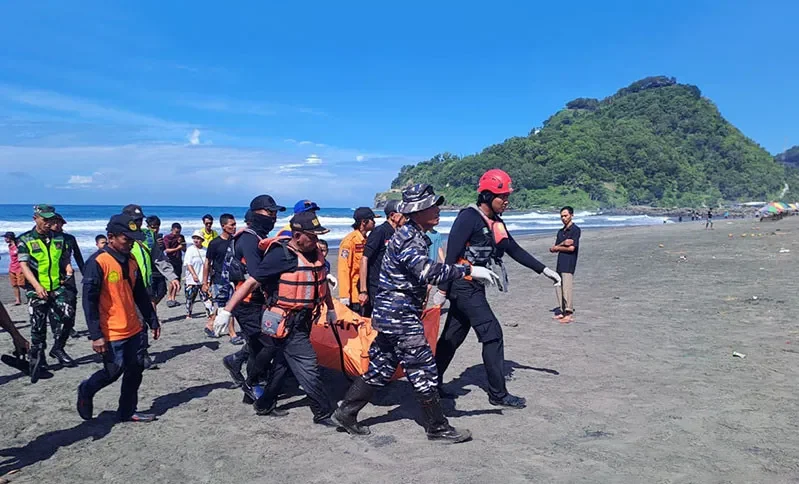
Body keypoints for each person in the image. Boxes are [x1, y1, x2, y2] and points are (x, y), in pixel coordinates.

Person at [332, 184, 501, 443]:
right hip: (400, 316)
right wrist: (468, 271)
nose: (438, 210)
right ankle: (437, 427)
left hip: (391, 314)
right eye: (431, 207)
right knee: (424, 369)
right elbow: (427, 271)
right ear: (416, 212)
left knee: (381, 366)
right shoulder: (410, 238)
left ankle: (346, 412)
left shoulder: (412, 233)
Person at [434, 169, 562, 409]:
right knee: (492, 334)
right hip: (462, 285)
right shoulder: (468, 218)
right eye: (501, 197)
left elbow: (513, 249)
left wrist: (544, 270)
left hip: (475, 287)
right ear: (486, 196)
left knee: (452, 336)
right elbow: (451, 255)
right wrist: (442, 290)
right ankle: (498, 394)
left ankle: (430, 384)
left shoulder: (496, 222)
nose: (506, 201)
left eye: (506, 196)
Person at [216, 211, 338, 424]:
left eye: (318, 236)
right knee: (308, 364)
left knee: (283, 363)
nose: (316, 240)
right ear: (298, 235)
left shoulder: (314, 253)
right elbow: (251, 282)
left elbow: (320, 283)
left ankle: (264, 404)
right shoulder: (281, 255)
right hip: (286, 321)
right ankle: (323, 411)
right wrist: (226, 311)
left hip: (306, 318)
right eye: (312, 236)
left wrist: (330, 309)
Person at [77, 213, 161, 423]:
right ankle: (86, 389)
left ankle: (127, 411)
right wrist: (96, 335)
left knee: (136, 369)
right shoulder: (98, 262)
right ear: (111, 237)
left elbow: (140, 292)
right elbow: (89, 302)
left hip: (133, 326)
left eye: (133, 239)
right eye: (127, 239)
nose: (130, 244)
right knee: (113, 371)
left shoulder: (131, 259)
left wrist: (152, 319)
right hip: (111, 330)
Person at [217, 195, 284, 400]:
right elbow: (257, 274)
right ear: (256, 214)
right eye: (269, 212)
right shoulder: (249, 238)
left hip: (257, 302)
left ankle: (238, 364)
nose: (273, 217)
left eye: (274, 213)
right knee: (267, 344)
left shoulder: (257, 237)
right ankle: (254, 383)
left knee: (258, 344)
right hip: (246, 303)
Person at [16, 204, 75, 381]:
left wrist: (69, 269)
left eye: (51, 219)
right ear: (36, 218)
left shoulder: (60, 239)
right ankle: (38, 357)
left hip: (57, 286)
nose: (49, 223)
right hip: (36, 288)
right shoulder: (25, 240)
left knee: (68, 317)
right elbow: (24, 266)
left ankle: (58, 348)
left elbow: (64, 259)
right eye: (45, 219)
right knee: (38, 325)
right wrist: (36, 286)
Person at [121, 204, 179, 370]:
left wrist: (172, 277)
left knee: (141, 321)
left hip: (142, 286)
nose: (137, 223)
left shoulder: (148, 236)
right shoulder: (119, 235)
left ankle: (142, 354)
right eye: (134, 220)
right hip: (122, 287)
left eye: (140, 220)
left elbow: (159, 258)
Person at [358, 200, 405, 317]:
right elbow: (364, 259)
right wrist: (363, 291)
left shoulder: (400, 233)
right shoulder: (379, 232)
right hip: (376, 286)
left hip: (392, 286)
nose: (406, 217)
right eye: (403, 214)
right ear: (392, 216)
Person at [202, 213, 243, 344]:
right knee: (227, 307)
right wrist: (205, 282)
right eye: (232, 225)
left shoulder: (235, 241)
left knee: (225, 306)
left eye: (235, 224)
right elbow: (207, 263)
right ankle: (232, 334)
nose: (234, 227)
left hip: (234, 279)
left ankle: (210, 324)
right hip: (219, 280)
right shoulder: (215, 243)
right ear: (223, 226)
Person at [338, 207, 380, 313]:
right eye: (372, 220)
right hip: (355, 296)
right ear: (364, 222)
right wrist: (344, 296)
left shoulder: (368, 240)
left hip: (366, 291)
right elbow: (344, 269)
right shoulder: (349, 242)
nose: (374, 223)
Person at [50, 214, 85, 341]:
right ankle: (56, 328)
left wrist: (85, 273)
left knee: (71, 300)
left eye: (59, 223)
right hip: (52, 275)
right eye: (54, 222)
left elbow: (78, 257)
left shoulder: (69, 238)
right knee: (53, 303)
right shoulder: (47, 239)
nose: (56, 225)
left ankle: (69, 326)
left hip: (68, 274)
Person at [550, 206, 581, 324]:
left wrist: (558, 247)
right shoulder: (560, 231)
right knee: (558, 285)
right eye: (561, 216)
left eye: (565, 215)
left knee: (567, 287)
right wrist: (563, 244)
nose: (563, 218)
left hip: (569, 262)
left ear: (571, 215)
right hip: (560, 261)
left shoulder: (575, 230)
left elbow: (572, 248)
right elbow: (554, 248)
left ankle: (569, 312)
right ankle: (562, 310)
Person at [183, 230, 213, 320]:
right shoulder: (190, 250)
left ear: (202, 240)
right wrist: (193, 275)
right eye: (195, 238)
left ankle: (210, 313)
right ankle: (189, 314)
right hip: (192, 279)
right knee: (190, 298)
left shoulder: (205, 250)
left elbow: (208, 264)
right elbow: (188, 264)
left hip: (203, 278)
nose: (196, 240)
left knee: (206, 297)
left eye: (198, 238)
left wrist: (209, 278)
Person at [163, 223, 184, 307]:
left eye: (179, 232)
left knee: (178, 279)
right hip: (170, 260)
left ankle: (173, 298)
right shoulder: (167, 238)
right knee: (172, 279)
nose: (177, 234)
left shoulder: (180, 237)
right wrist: (177, 248)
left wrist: (181, 242)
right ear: (172, 230)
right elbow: (166, 250)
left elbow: (184, 248)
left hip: (179, 260)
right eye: (176, 232)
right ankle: (169, 298)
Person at [4, 232, 24, 305]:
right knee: (14, 284)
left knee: (21, 284)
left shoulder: (18, 246)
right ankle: (18, 300)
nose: (5, 239)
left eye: (6, 238)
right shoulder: (9, 246)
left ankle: (31, 293)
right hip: (12, 267)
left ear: (10, 238)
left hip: (19, 267)